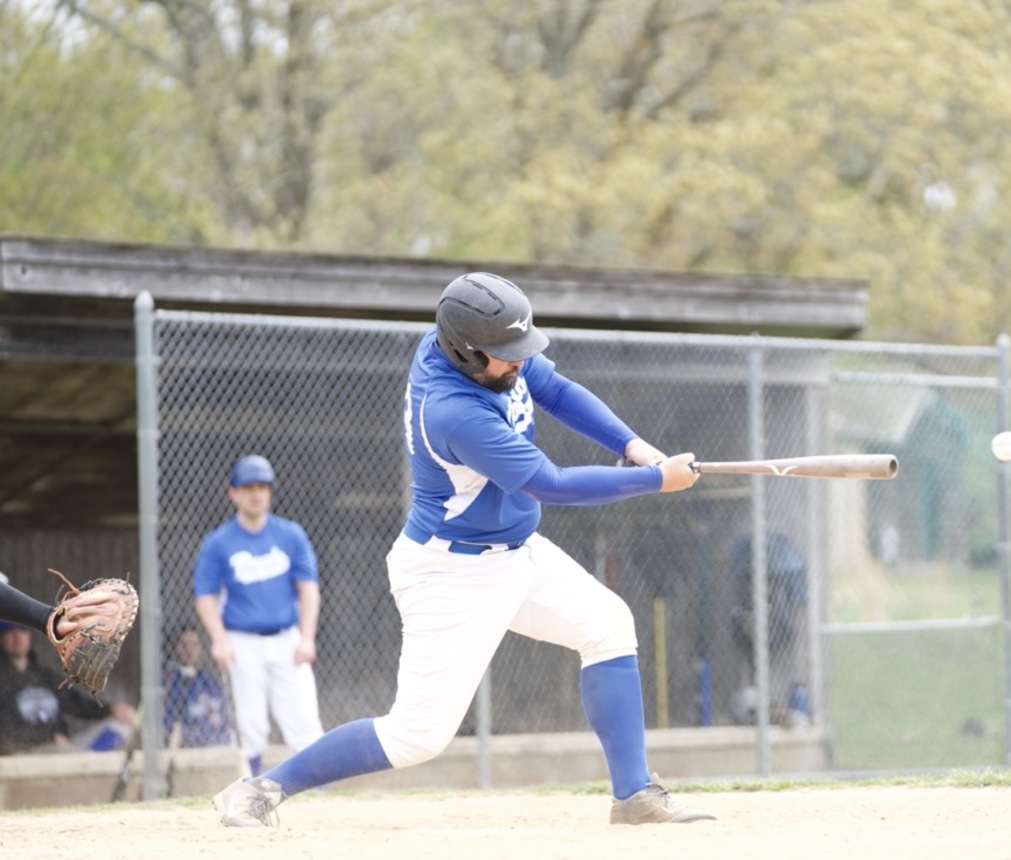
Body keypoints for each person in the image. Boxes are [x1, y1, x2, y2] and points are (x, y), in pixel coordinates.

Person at [212, 271, 712, 828]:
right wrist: (655, 482)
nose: (518, 363)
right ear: (465, 352)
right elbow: (551, 482)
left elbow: (557, 390)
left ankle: (634, 796)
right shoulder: (452, 410)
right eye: (505, 355)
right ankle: (261, 790)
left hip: (516, 550)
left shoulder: (483, 354)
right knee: (416, 736)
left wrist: (634, 446)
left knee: (608, 625)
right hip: (451, 572)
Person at [193, 454, 324, 777]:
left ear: (270, 492)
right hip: (242, 641)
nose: (256, 493)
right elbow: (205, 597)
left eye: (263, 487)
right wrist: (219, 641)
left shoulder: (290, 535)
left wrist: (307, 637)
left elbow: (308, 589)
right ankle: (251, 788)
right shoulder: (219, 542)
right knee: (251, 725)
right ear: (232, 493)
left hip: (286, 638)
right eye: (248, 486)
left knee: (304, 720)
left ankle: (316, 790)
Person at [0, 621, 136, 755]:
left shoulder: (45, 677)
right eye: (10, 631)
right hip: (28, 753)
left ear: (30, 636)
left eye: (22, 630)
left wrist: (111, 709)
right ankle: (87, 763)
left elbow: (78, 705)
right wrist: (49, 737)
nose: (17, 637)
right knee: (64, 751)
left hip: (64, 747)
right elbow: (6, 730)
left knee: (120, 727)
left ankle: (90, 762)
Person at [162, 624, 235, 749]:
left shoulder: (210, 683)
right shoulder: (168, 679)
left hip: (213, 741)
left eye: (194, 645)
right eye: (184, 645)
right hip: (180, 741)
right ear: (176, 648)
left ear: (201, 648)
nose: (189, 650)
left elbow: (224, 718)